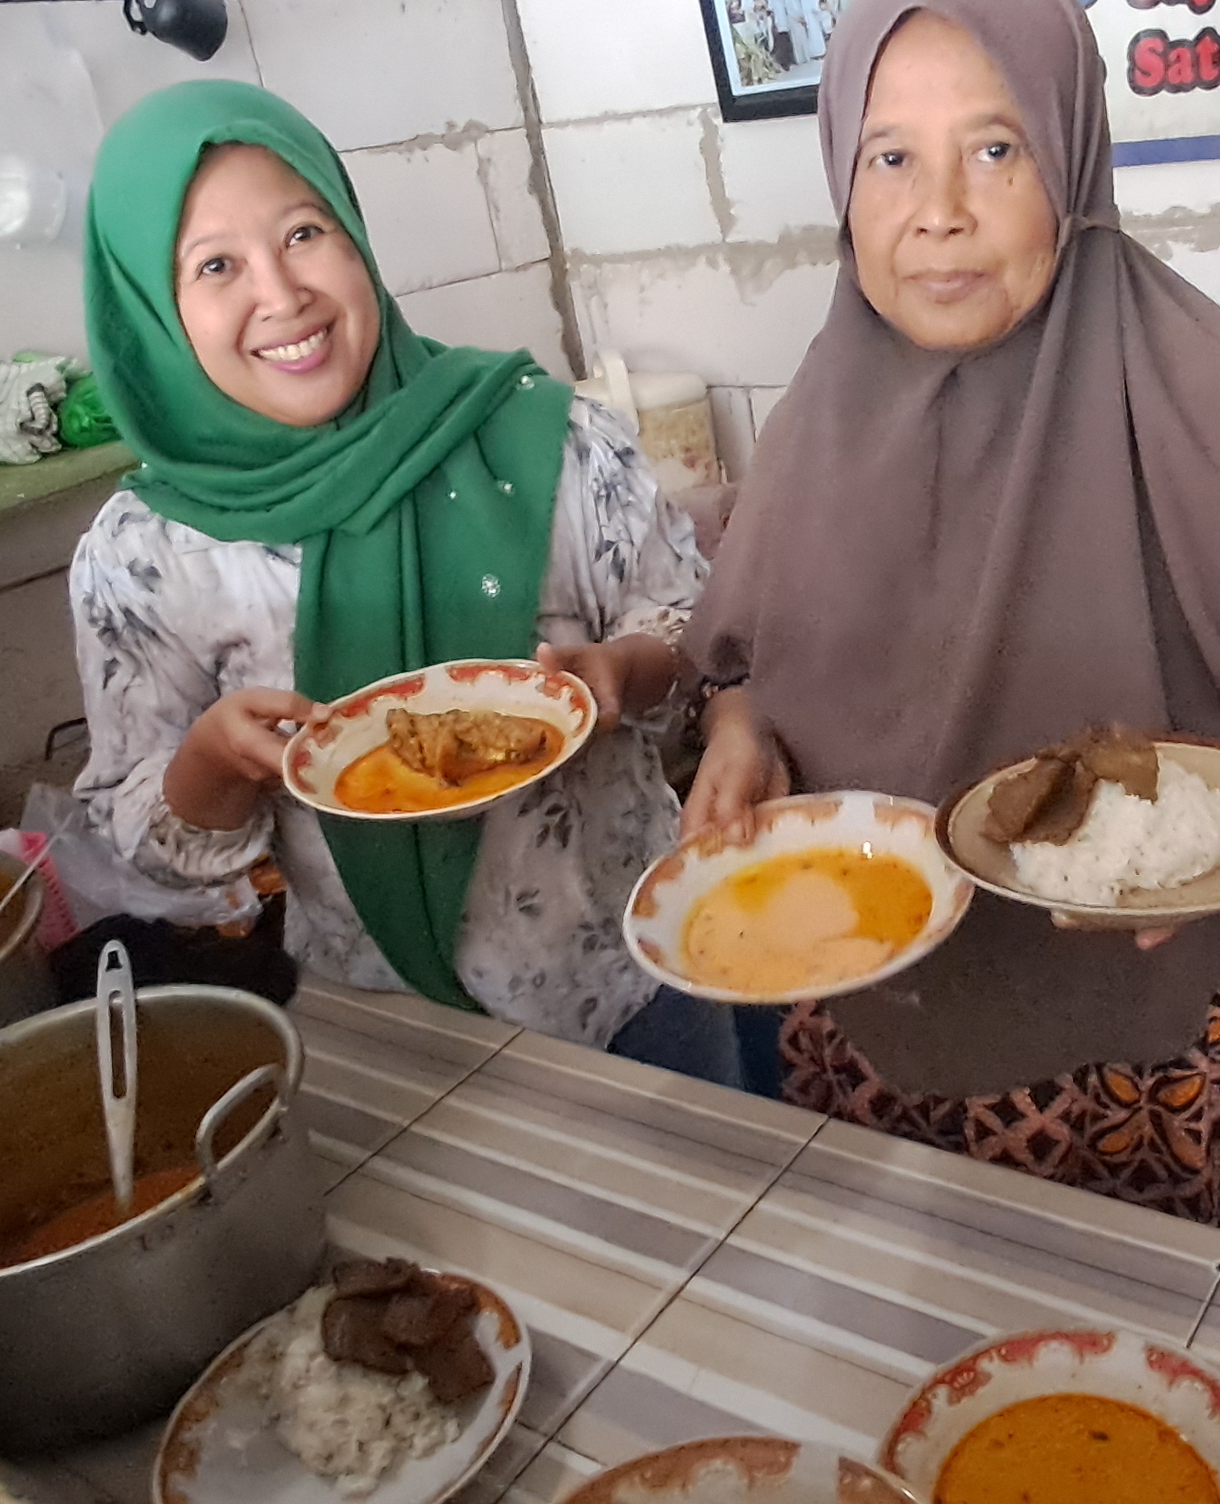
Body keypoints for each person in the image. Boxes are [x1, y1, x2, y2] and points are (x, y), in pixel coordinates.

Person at [683, 0, 1220, 1269]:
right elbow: (747, 665)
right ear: (840, 175)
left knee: (1214, 1388)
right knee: (943, 1379)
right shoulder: (819, 419)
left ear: (1074, 157)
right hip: (894, 1022)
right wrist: (739, 733)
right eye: (891, 156)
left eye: (997, 150)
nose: (940, 208)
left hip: (1192, 1049)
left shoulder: (1219, 390)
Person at [69, 81, 738, 1086]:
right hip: (386, 1026)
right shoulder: (145, 555)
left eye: (304, 233)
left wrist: (623, 670)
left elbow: (690, 625)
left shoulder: (546, 436)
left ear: (354, 236)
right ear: (149, 313)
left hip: (636, 972)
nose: (282, 294)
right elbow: (147, 844)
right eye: (215, 266)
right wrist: (213, 759)